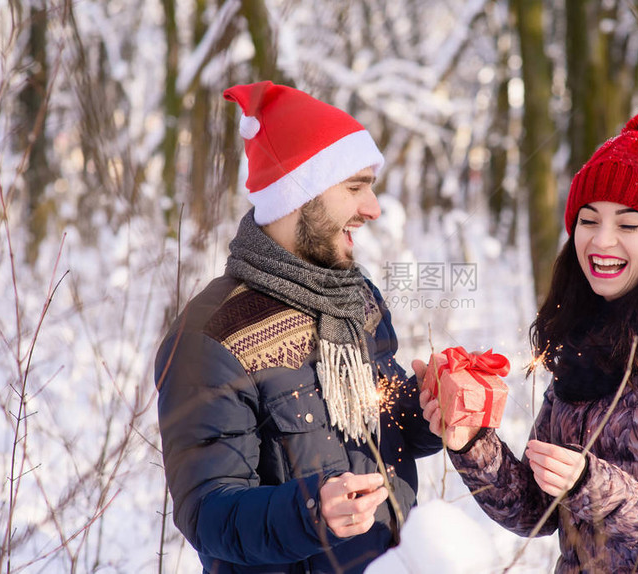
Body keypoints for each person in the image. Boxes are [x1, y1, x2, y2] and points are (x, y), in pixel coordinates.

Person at [418, 110, 638, 572]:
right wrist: (471, 441)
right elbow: (535, 512)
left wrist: (589, 484)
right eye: (588, 220)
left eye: (628, 225)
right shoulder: (583, 343)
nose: (601, 241)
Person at [156, 81, 443, 574]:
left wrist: (432, 405)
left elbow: (384, 428)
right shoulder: (212, 337)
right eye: (355, 187)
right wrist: (312, 511)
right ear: (299, 194)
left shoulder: (354, 295)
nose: (373, 208)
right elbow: (206, 511)